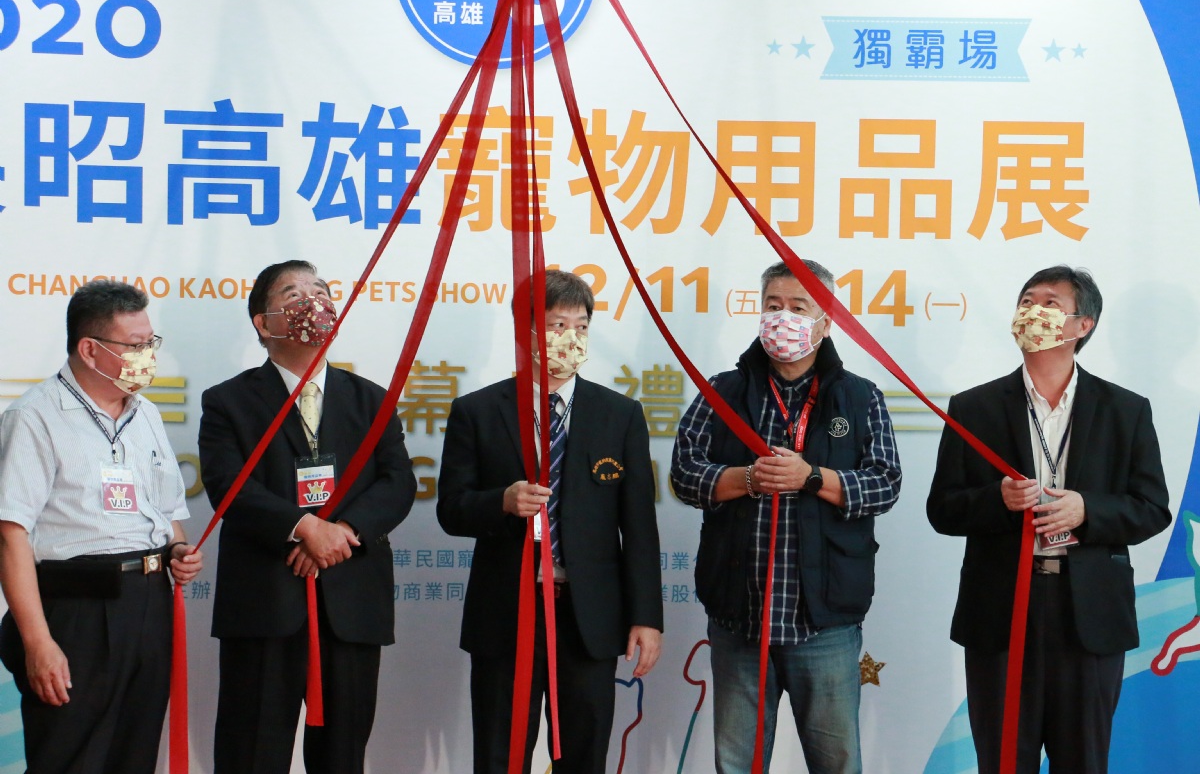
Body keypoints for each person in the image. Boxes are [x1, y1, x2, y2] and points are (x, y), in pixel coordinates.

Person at [927, 265, 1171, 774]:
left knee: (1083, 760)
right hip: (1001, 611)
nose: (1032, 312)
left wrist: (1088, 510)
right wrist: (996, 499)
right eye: (1026, 301)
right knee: (1002, 760)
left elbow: (1152, 507)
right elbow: (943, 509)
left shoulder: (1125, 410)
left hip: (1089, 615)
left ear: (1083, 325)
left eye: (1050, 303)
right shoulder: (974, 407)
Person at [671, 259, 901, 774]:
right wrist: (749, 479)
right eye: (773, 305)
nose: (783, 317)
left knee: (837, 763)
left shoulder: (859, 396)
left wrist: (811, 477)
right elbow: (684, 473)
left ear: (827, 321)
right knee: (736, 763)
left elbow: (886, 483)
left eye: (799, 307)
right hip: (739, 616)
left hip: (824, 622)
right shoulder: (721, 391)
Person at [437, 269, 663, 774]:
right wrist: (501, 501)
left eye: (581, 327)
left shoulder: (619, 414)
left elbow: (639, 527)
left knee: (584, 756)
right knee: (500, 755)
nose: (572, 338)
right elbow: (450, 509)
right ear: (528, 331)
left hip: (588, 617)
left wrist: (646, 617)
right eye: (558, 325)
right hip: (508, 611)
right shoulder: (477, 411)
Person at [199, 260, 416, 774]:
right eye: (294, 294)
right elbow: (229, 486)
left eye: (320, 291)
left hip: (351, 601)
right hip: (265, 603)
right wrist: (304, 528)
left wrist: (341, 532)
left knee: (343, 757)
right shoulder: (228, 401)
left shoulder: (372, 399)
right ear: (263, 322)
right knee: (252, 754)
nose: (313, 302)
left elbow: (398, 482)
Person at [0, 279, 203, 773]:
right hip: (77, 610)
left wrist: (178, 550)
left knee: (134, 755)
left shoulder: (146, 413)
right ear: (89, 350)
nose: (147, 357)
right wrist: (38, 643)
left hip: (149, 604)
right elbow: (10, 533)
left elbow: (167, 511)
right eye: (134, 346)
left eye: (151, 343)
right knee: (72, 759)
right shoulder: (34, 417)